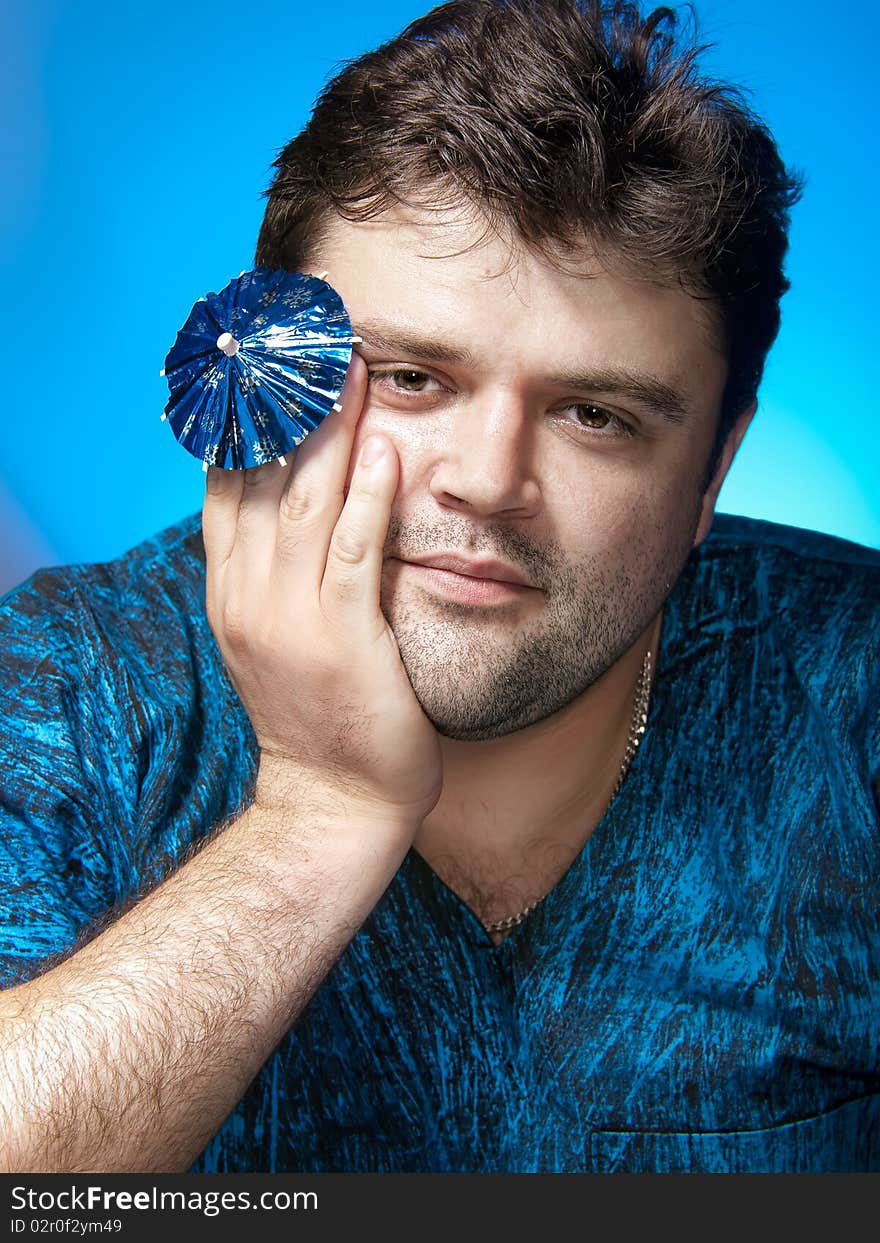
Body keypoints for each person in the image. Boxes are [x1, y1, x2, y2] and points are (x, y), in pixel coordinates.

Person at [0, 0, 878, 1175]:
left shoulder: (852, 691)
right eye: (410, 377)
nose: (487, 482)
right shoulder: (73, 689)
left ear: (714, 463)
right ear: (262, 364)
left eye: (595, 415)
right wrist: (319, 808)